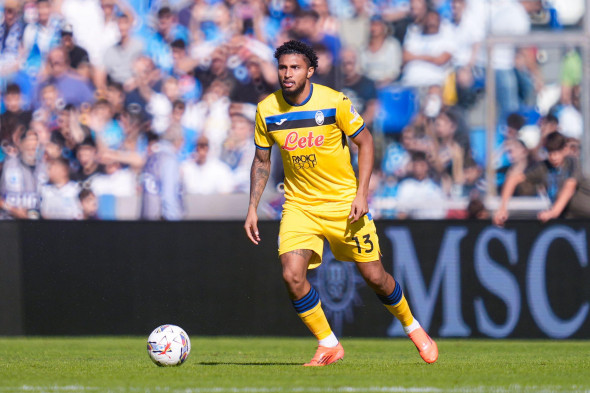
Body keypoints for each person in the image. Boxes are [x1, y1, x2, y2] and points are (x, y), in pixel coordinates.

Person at [244, 40, 438, 367]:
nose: (287, 74)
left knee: (375, 276)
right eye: (282, 68)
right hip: (299, 206)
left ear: (310, 71)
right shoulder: (267, 109)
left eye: (294, 67)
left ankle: (413, 326)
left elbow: (366, 143)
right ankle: (329, 343)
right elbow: (261, 161)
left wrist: (362, 193)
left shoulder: (334, 102)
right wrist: (252, 206)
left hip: (343, 205)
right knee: (292, 275)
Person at [493, 131, 590, 226]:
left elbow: (569, 187)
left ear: (565, 150)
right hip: (571, 222)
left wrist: (553, 212)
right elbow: (513, 179)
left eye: (557, 152)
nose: (554, 157)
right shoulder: (543, 167)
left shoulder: (572, 162)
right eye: (550, 153)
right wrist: (502, 209)